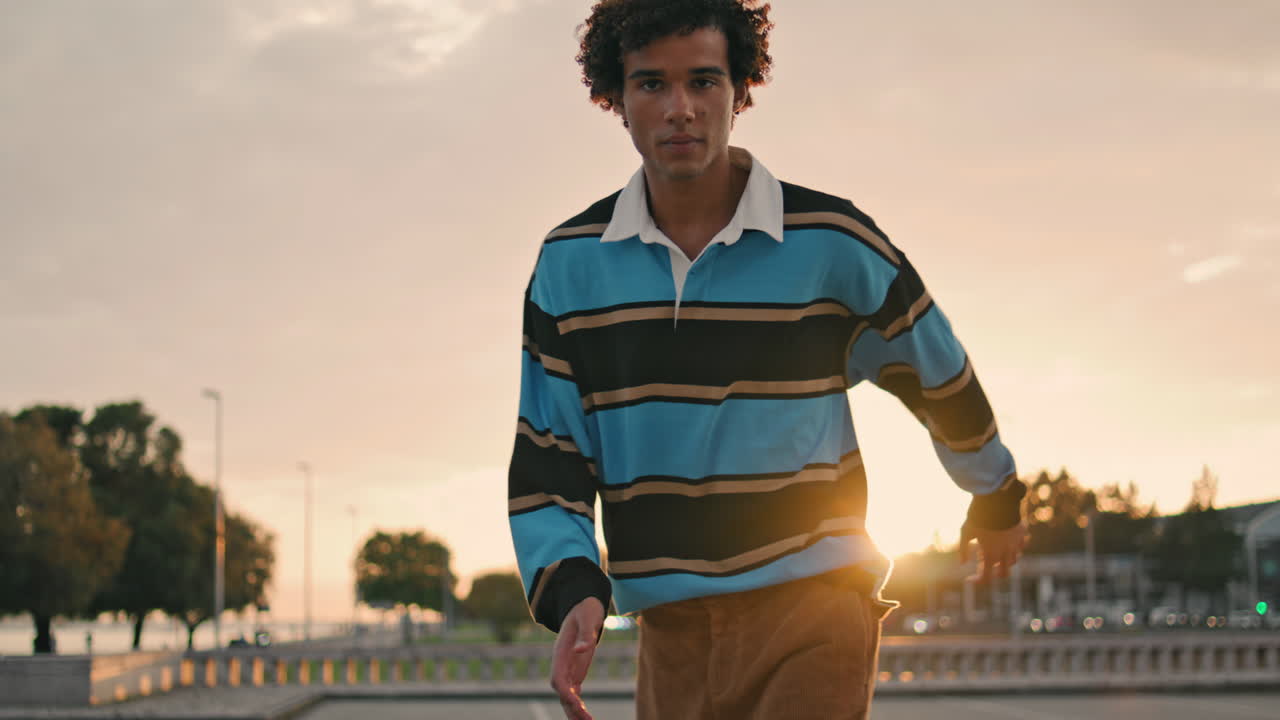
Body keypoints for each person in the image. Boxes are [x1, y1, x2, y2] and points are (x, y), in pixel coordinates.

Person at [507, 2, 1029, 718]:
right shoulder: (570, 266)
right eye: (651, 84)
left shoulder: (829, 240)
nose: (680, 108)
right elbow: (550, 449)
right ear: (617, 99)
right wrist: (572, 588)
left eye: (705, 81)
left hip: (814, 606)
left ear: (740, 89)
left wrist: (995, 492)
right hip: (672, 631)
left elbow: (932, 366)